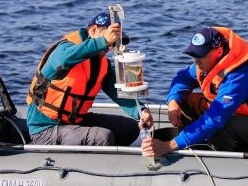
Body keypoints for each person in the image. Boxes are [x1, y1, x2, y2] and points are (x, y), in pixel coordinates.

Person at [142, 26, 248, 156]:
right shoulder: (207, 61)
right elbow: (182, 78)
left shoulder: (237, 76)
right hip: (240, 114)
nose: (196, 63)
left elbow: (213, 120)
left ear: (218, 51)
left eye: (200, 58)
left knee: (219, 125)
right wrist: (173, 102)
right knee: (185, 99)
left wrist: (168, 146)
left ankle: (222, 156)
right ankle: (191, 141)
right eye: (194, 57)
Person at [26, 10, 153, 146]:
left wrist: (141, 111)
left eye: (115, 41)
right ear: (93, 31)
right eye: (111, 38)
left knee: (130, 128)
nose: (110, 46)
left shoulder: (102, 64)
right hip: (45, 130)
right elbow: (64, 59)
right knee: (102, 137)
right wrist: (103, 41)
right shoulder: (65, 49)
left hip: (74, 123)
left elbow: (118, 93)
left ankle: (108, 158)